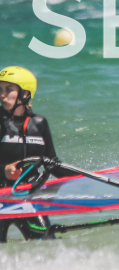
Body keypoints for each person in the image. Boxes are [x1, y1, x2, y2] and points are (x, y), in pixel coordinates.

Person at [0, 66, 64, 242]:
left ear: (25, 93)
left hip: (28, 198)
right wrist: (4, 170)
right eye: (0, 89)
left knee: (48, 246)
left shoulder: (39, 123)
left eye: (8, 89)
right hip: (1, 197)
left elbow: (52, 163)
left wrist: (85, 179)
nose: (2, 95)